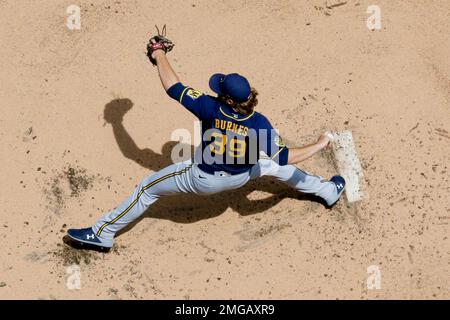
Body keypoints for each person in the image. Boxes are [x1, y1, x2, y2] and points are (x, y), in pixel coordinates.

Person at [66, 42, 345, 250]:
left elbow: (173, 86)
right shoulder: (259, 123)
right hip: (242, 176)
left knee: (147, 189)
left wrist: (159, 53)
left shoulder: (210, 108)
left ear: (225, 98)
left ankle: (102, 233)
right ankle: (328, 190)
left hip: (202, 179)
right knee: (275, 167)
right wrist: (319, 144)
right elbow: (286, 157)